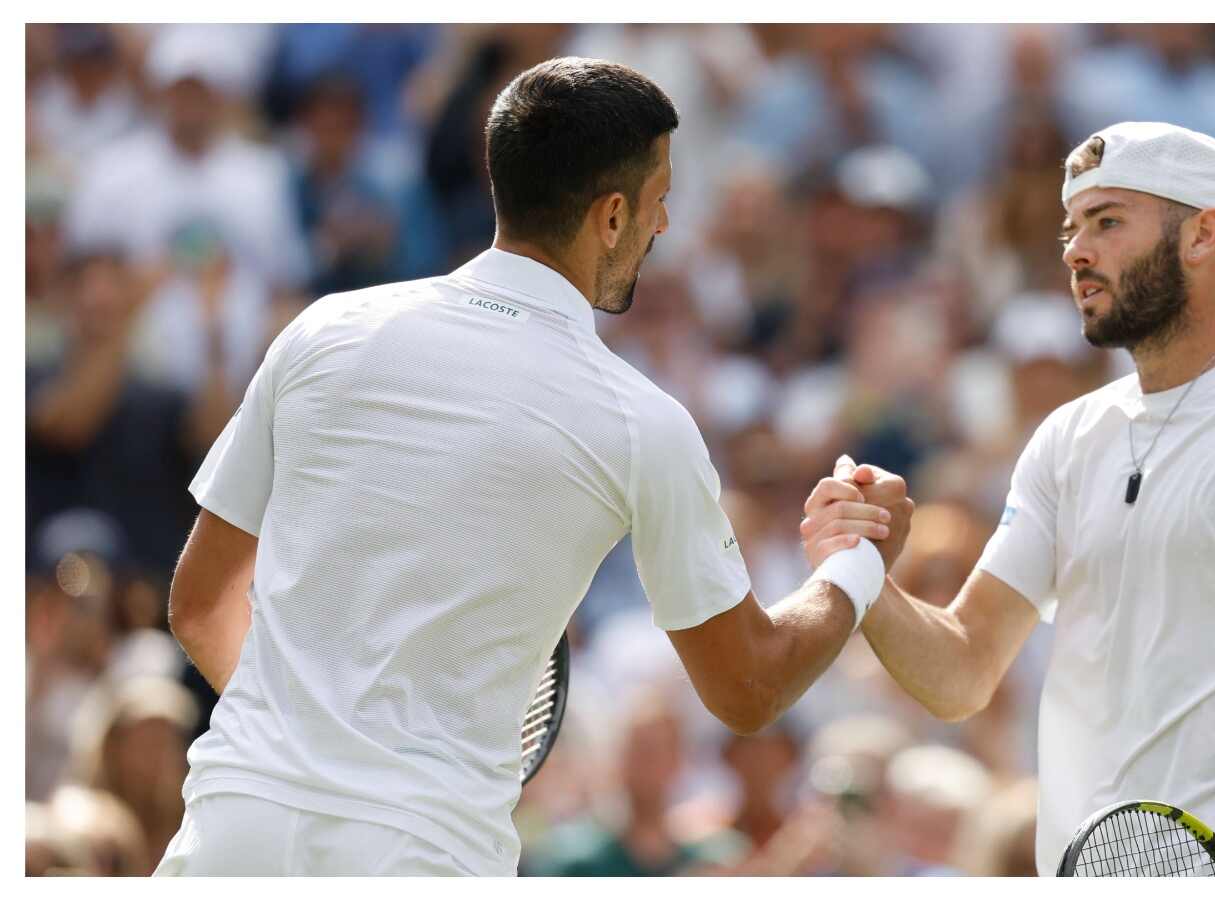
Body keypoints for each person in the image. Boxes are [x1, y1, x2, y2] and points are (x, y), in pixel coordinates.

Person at [155, 57, 902, 876]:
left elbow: (200, 604)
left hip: (232, 832)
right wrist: (851, 567)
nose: (662, 228)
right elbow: (748, 689)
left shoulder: (323, 330)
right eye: (658, 205)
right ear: (612, 217)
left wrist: (308, 749)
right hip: (421, 857)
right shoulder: (640, 421)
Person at [802, 121, 1215, 875]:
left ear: (1204, 234)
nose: (1077, 250)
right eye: (1071, 228)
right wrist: (863, 576)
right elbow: (963, 670)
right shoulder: (1064, 439)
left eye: (1108, 221)